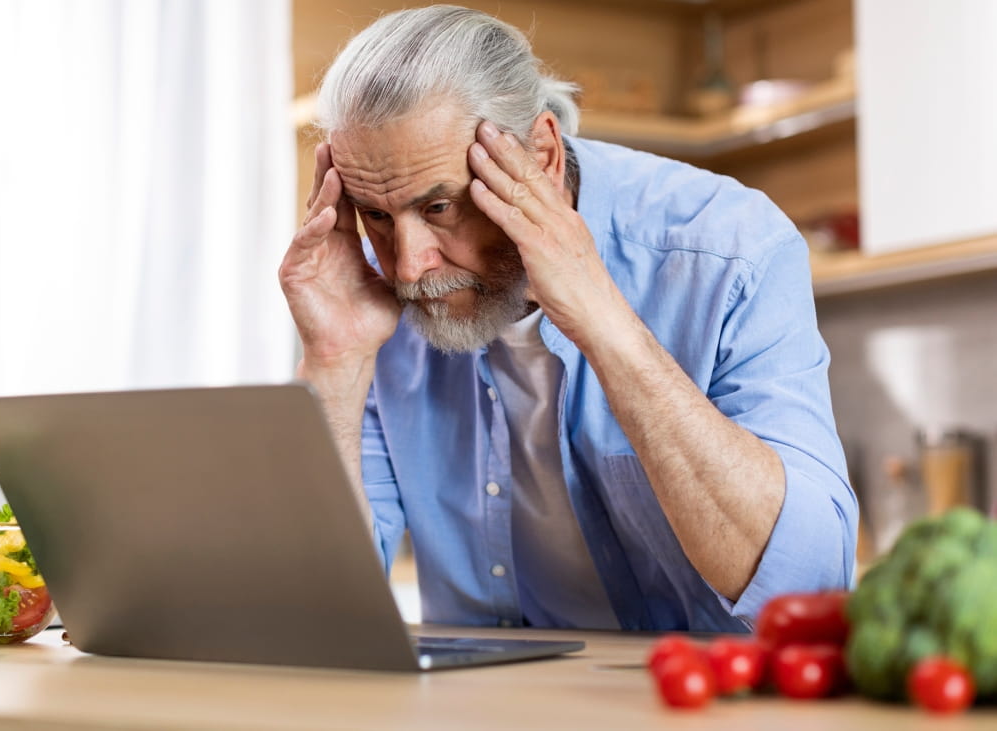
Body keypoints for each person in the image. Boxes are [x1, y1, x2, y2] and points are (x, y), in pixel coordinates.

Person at [278, 5, 856, 631]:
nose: (411, 269)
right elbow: (309, 616)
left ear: (544, 157)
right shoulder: (367, 293)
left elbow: (809, 589)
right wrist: (333, 365)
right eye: (379, 216)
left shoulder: (728, 248)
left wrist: (602, 321)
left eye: (440, 206)